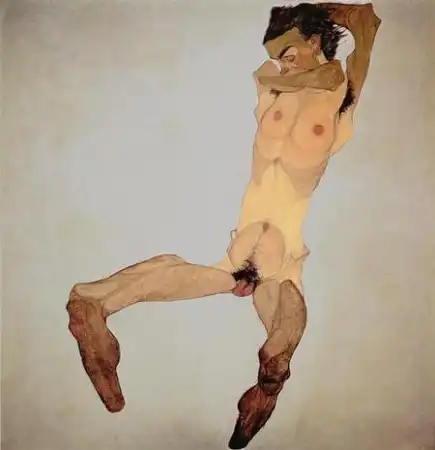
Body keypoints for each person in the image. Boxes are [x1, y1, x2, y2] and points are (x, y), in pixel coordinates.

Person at [66, 3, 381, 449]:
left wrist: (347, 19)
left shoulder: (340, 103)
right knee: (170, 272)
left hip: (282, 259)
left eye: (289, 54)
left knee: (281, 341)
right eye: (277, 57)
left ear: (314, 43)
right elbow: (272, 76)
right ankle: (92, 303)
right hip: (242, 244)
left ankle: (267, 388)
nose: (281, 64)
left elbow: (365, 30)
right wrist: (309, 63)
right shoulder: (273, 88)